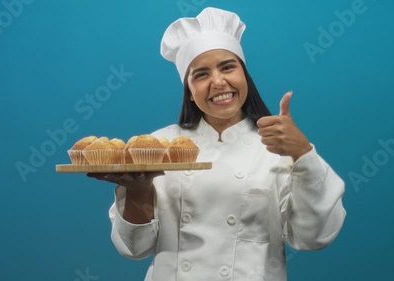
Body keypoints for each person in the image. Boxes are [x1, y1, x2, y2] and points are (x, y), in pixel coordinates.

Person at [88, 7, 346, 281]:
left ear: (244, 74)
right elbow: (134, 249)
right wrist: (138, 192)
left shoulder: (280, 147)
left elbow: (315, 237)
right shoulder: (162, 146)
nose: (218, 82)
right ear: (189, 91)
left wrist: (303, 153)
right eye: (201, 74)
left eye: (227, 67)